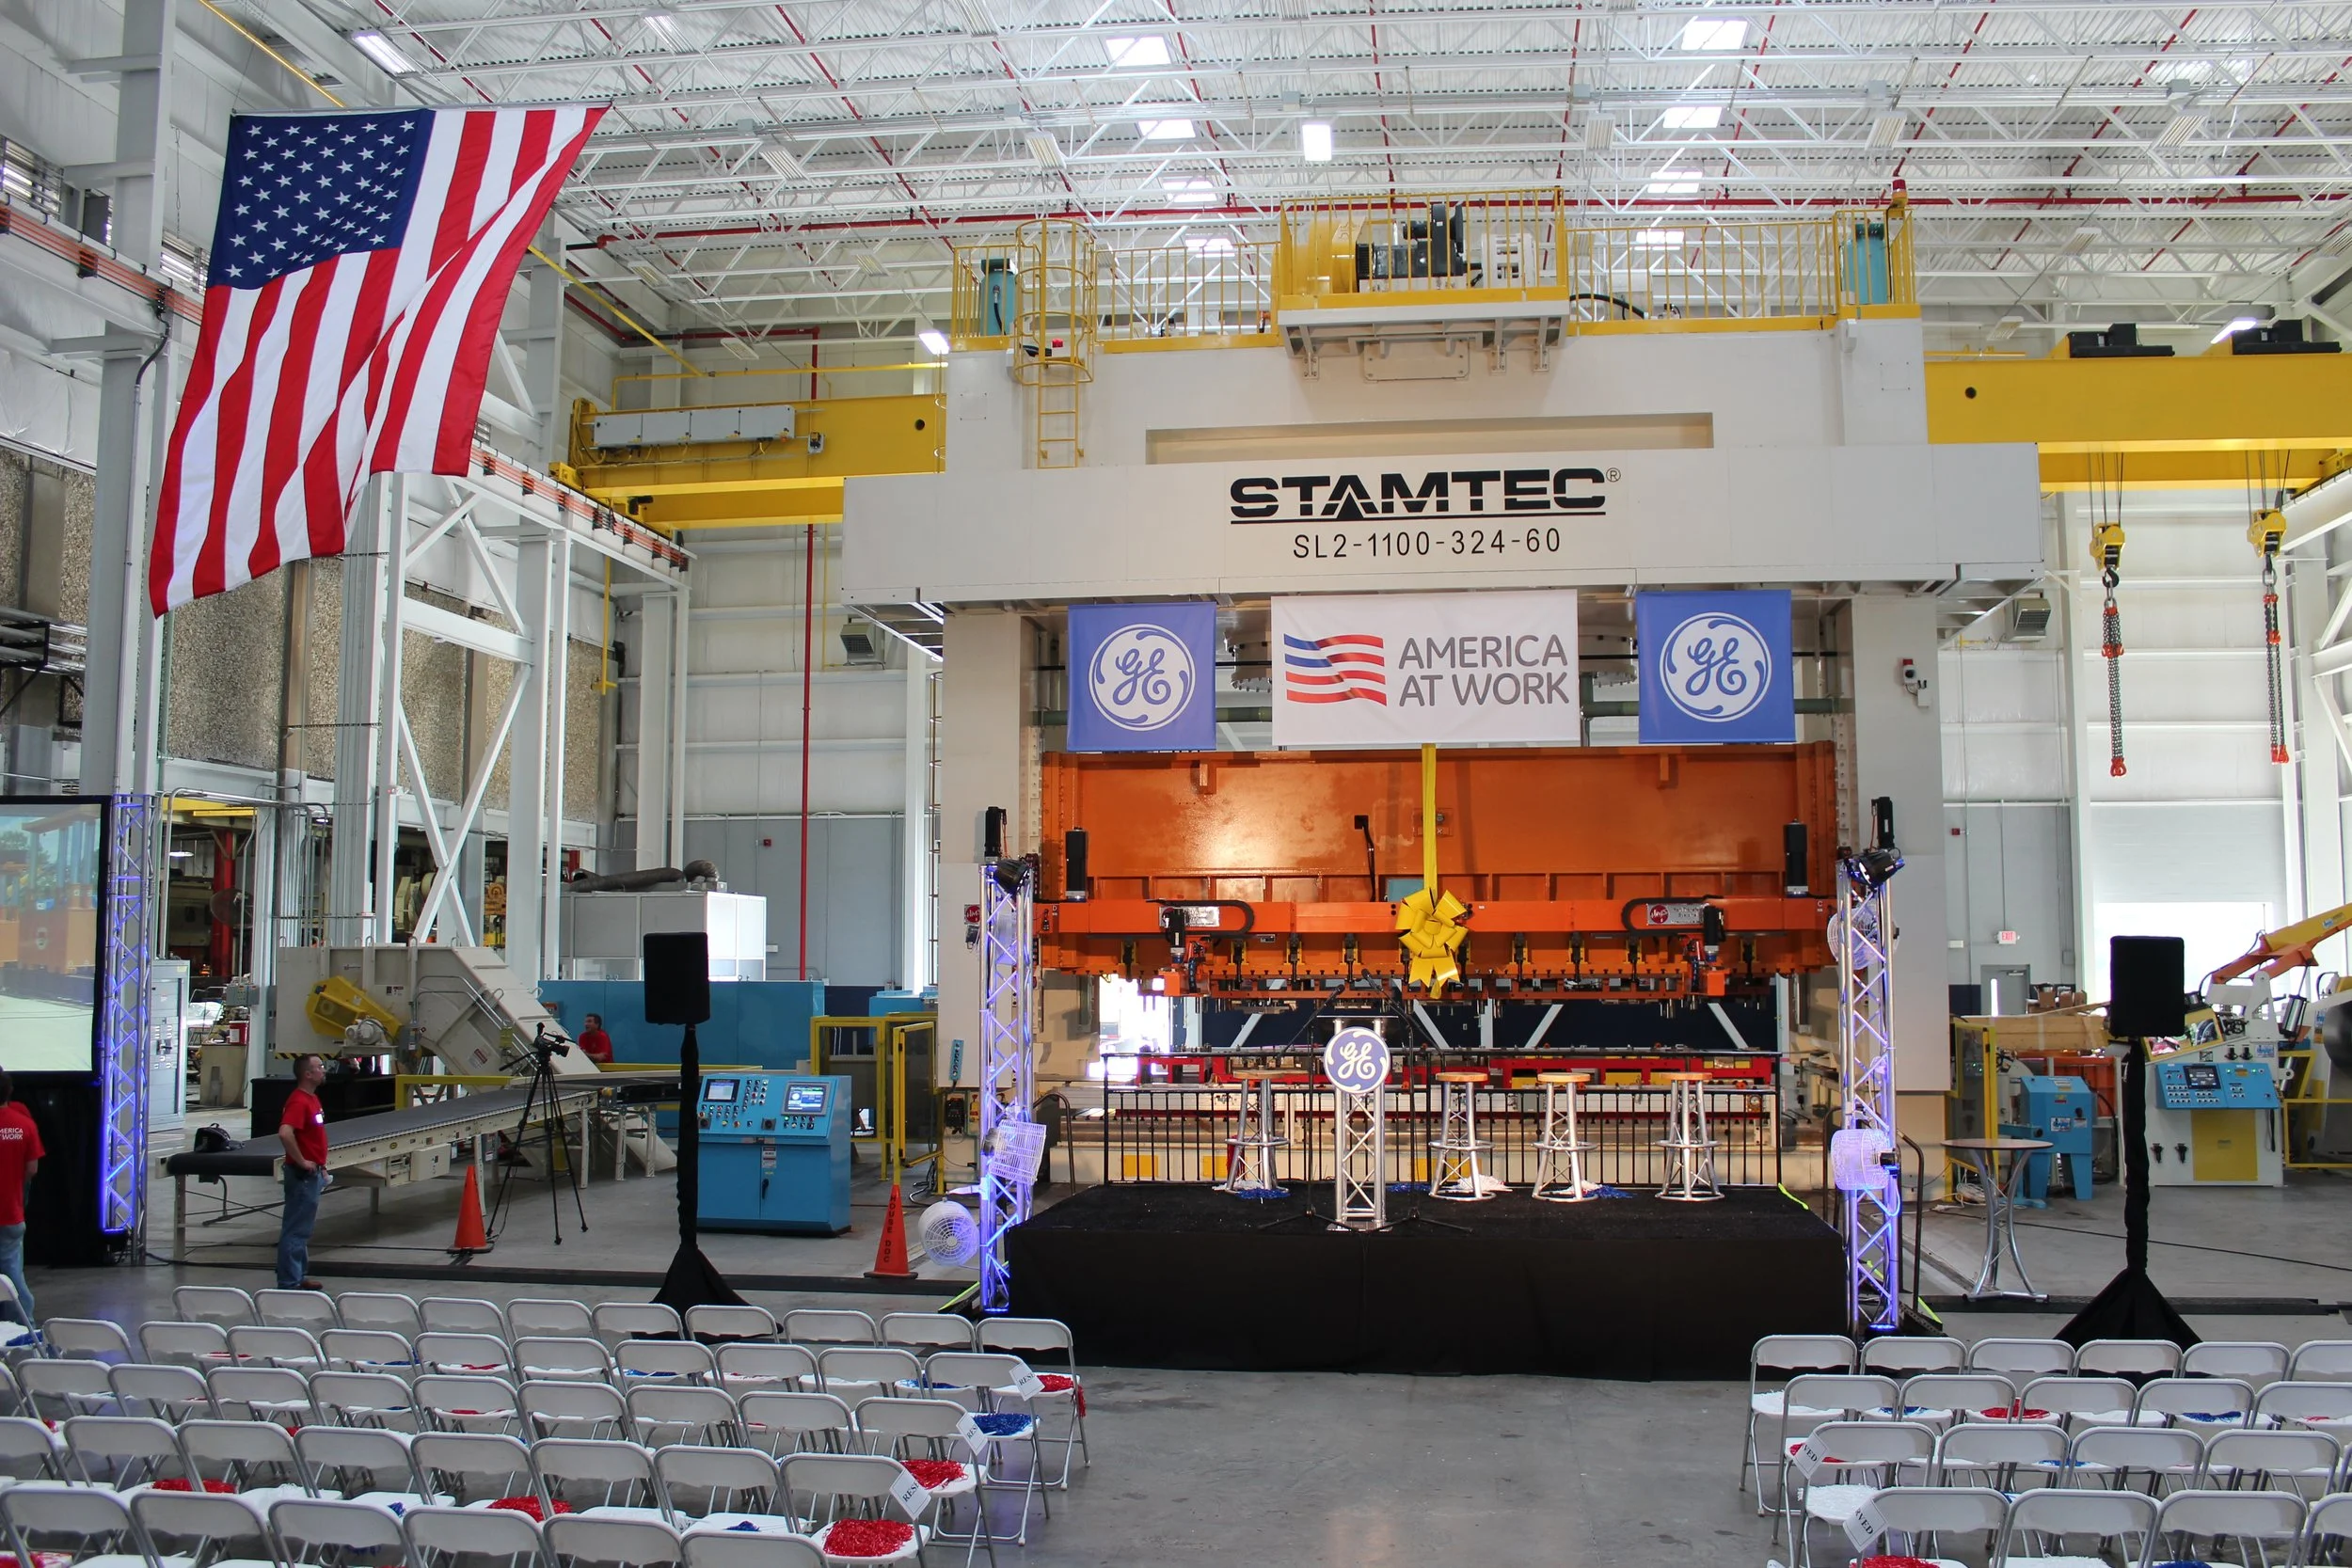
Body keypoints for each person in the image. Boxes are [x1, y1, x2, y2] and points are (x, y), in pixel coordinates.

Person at [277, 1053, 330, 1291]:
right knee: (296, 1229)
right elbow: (285, 1133)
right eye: (319, 1067)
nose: (323, 1070)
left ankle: (298, 1274)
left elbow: (313, 1138)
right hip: (303, 1177)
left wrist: (321, 1165)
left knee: (303, 1228)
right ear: (307, 1074)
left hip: (314, 1173)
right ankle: (289, 1281)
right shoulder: (299, 1102)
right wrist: (302, 1161)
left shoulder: (313, 1099)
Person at [0, 1074, 40, 1323]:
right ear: (10, 1091)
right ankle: (25, 1330)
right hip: (10, 1212)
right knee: (12, 1276)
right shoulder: (23, 1124)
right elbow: (32, 1169)